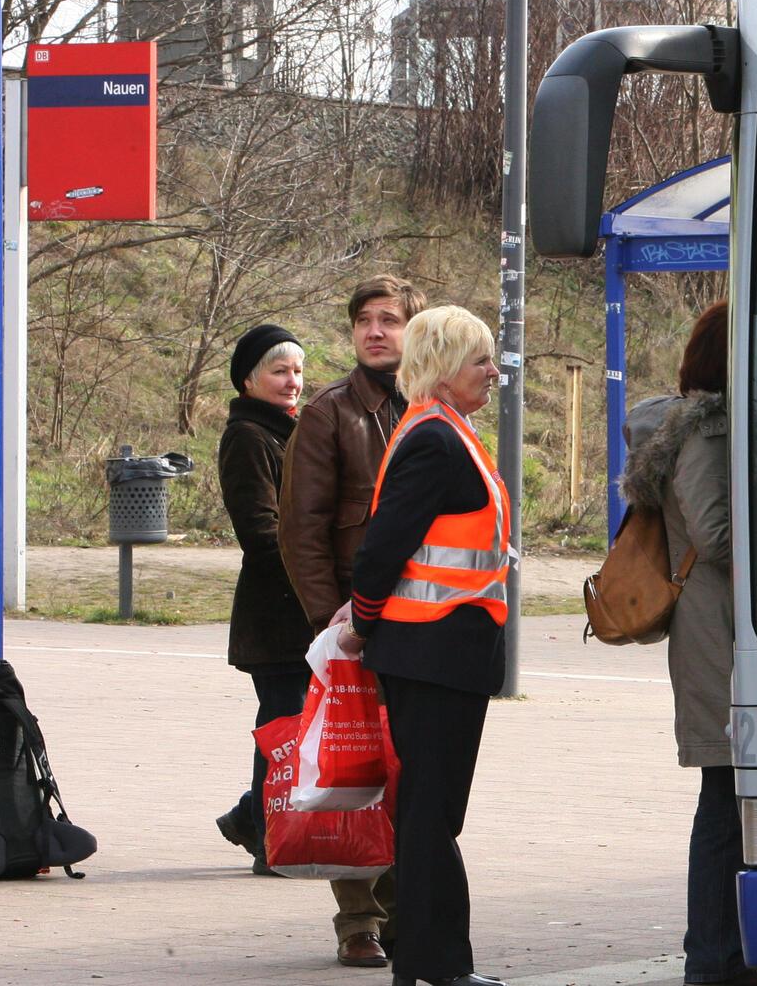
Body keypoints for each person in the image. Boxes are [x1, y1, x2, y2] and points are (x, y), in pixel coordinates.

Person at [618, 301, 757, 986]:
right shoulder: (711, 431)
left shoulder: (708, 426)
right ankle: (714, 958)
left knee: (733, 796)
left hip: (718, 629)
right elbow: (716, 535)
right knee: (727, 794)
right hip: (719, 632)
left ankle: (723, 952)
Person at [339, 305, 507, 986]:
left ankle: (423, 960)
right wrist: (362, 617)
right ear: (442, 371)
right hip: (432, 654)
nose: (495, 373)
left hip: (440, 653)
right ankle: (437, 967)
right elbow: (383, 546)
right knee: (430, 817)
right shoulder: (436, 441)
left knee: (431, 814)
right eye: (480, 362)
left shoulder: (446, 432)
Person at [279, 273, 422, 965]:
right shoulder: (329, 412)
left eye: (388, 319)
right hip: (351, 625)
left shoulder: (430, 406)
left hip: (422, 625)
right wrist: (328, 627)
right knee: (353, 769)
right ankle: (358, 921)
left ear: (411, 330)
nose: (374, 330)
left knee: (408, 773)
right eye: (364, 319)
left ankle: (405, 910)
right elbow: (299, 528)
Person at [213, 325, 317, 878]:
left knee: (297, 725)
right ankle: (267, 836)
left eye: (298, 371)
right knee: (285, 725)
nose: (292, 381)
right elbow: (259, 530)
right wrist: (315, 564)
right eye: (280, 371)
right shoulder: (249, 437)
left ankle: (252, 815)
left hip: (302, 609)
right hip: (276, 612)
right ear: (249, 380)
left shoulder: (290, 431)